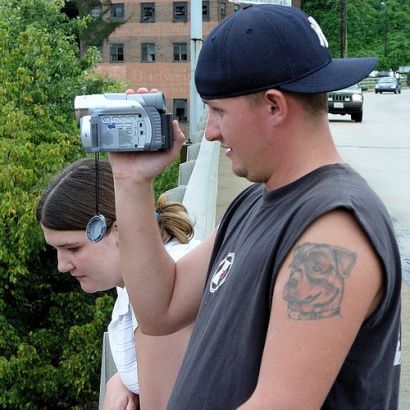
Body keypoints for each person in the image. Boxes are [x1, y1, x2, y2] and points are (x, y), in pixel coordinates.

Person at [108, 5, 402, 410]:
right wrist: (132, 182)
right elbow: (161, 307)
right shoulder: (255, 202)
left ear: (274, 106)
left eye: (219, 111)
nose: (209, 132)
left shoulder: (334, 228)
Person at [36, 158, 200, 410]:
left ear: (119, 231)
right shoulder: (148, 278)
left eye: (72, 248)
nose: (62, 265)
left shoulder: (160, 295)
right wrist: (124, 380)